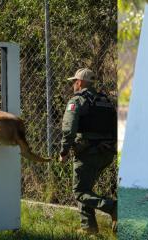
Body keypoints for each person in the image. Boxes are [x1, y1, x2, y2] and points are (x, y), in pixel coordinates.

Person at [59, 68, 117, 234]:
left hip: (88, 153)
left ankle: (113, 207)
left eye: (74, 82)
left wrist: (64, 152)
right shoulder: (106, 100)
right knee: (85, 188)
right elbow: (115, 128)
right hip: (106, 153)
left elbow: (69, 129)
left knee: (79, 191)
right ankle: (89, 228)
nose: (73, 85)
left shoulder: (77, 100)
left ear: (79, 82)